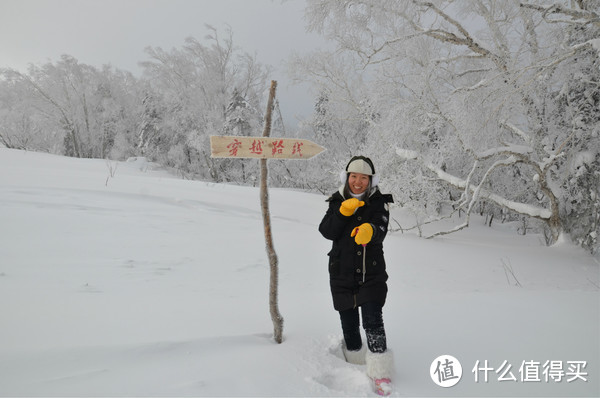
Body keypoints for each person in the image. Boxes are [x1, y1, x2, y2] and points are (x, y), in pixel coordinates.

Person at [319, 156, 394, 395]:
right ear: (347, 177)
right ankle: (354, 362)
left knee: (373, 320)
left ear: (371, 180)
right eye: (354, 176)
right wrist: (342, 212)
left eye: (364, 177)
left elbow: (381, 227)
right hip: (341, 272)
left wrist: (371, 231)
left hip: (370, 273)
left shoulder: (379, 201)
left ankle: (380, 373)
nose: (358, 182)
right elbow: (326, 231)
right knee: (349, 324)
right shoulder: (337, 200)